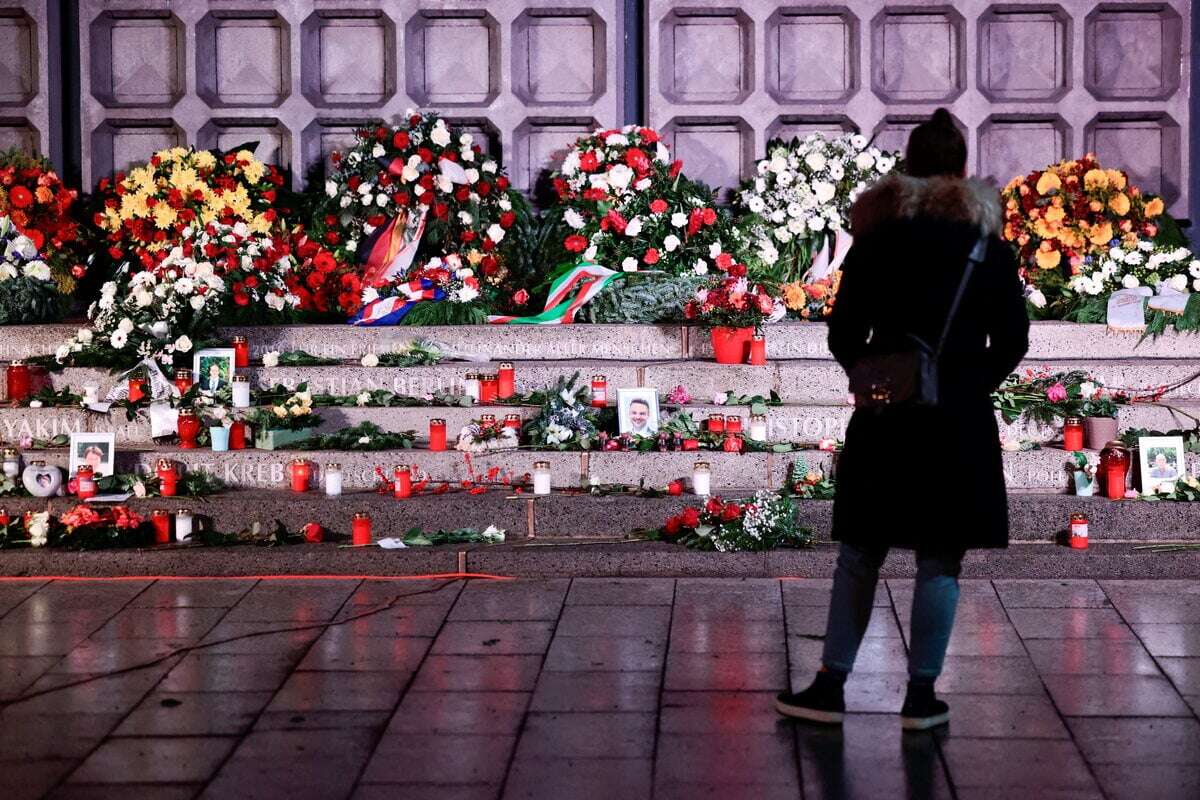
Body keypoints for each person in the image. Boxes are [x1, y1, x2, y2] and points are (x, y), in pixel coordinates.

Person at [775, 108, 1030, 730]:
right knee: (940, 557)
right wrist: (969, 385)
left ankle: (831, 686)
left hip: (886, 419)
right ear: (963, 171)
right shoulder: (987, 247)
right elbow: (1014, 340)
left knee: (860, 551)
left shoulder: (878, 241)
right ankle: (921, 695)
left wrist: (875, 379)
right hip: (958, 425)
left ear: (908, 168)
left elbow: (842, 333)